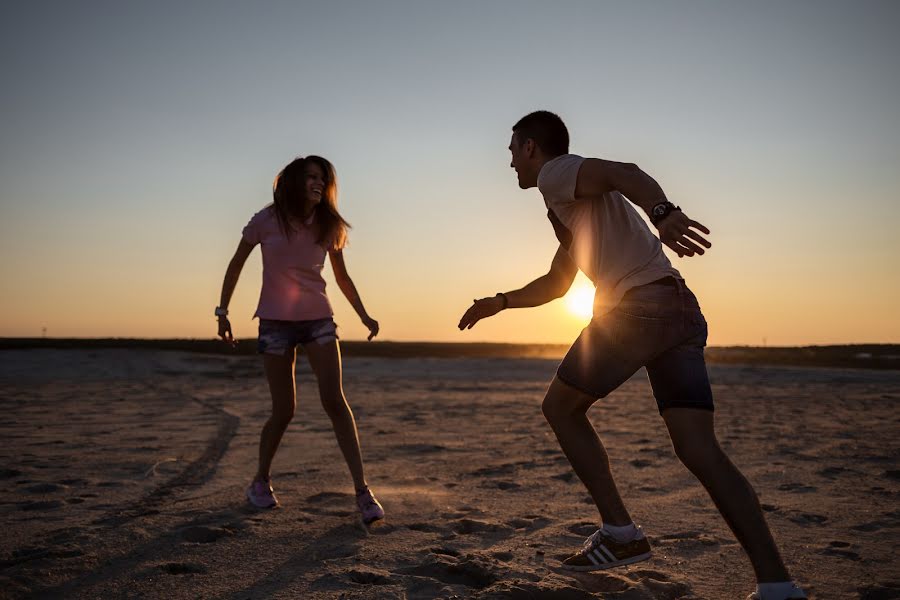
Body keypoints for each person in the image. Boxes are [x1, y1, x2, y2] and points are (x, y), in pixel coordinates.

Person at [457, 111, 805, 600]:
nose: (510, 162)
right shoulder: (572, 207)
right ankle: (778, 586)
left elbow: (626, 171)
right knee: (700, 450)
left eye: (512, 150)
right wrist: (501, 301)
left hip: (638, 309)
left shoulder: (557, 174)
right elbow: (559, 283)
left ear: (531, 147)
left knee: (560, 408)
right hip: (679, 309)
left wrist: (664, 212)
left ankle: (621, 534)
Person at [216, 155, 384, 525]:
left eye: (323, 179)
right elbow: (235, 263)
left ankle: (362, 491)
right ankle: (260, 481)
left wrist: (363, 314)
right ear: (293, 181)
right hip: (275, 324)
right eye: (311, 177)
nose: (318, 184)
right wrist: (222, 311)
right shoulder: (266, 220)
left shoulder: (328, 224)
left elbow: (342, 278)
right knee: (284, 409)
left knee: (334, 400)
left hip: (318, 321)